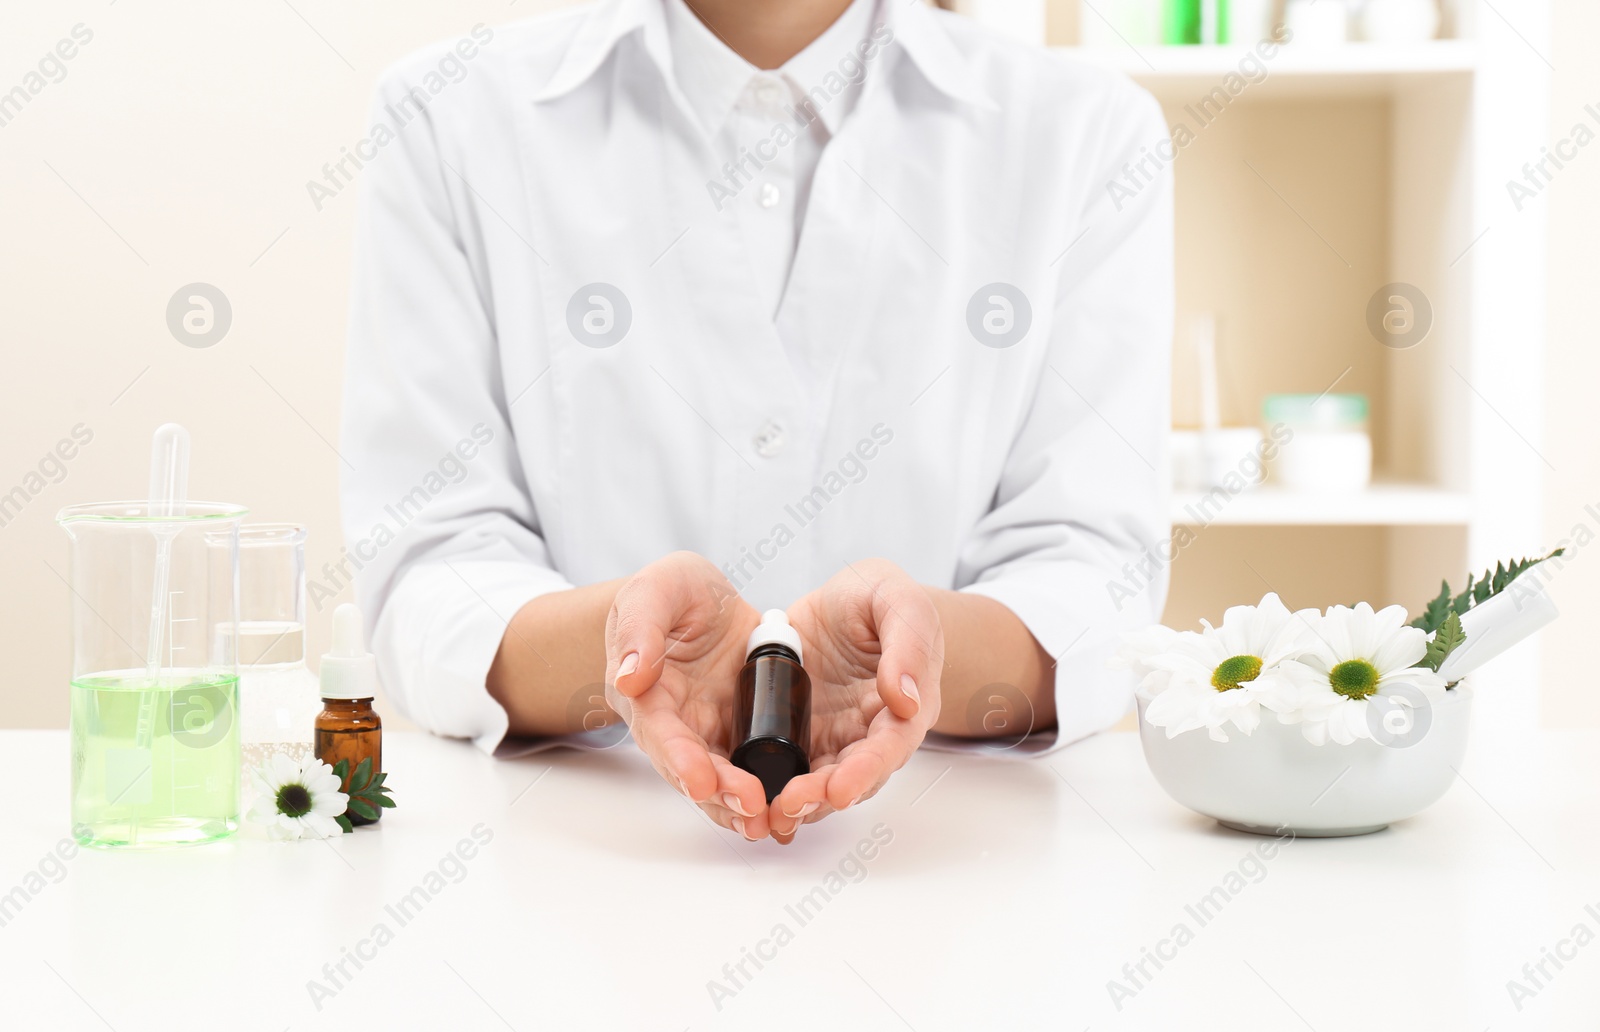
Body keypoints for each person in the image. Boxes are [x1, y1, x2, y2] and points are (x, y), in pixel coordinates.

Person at [341, 0, 1172, 845]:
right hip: (570, 863)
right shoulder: (446, 116)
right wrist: (623, 645)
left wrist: (913, 653)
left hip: (949, 866)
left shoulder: (1088, 131)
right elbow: (429, 572)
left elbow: (1096, 584)